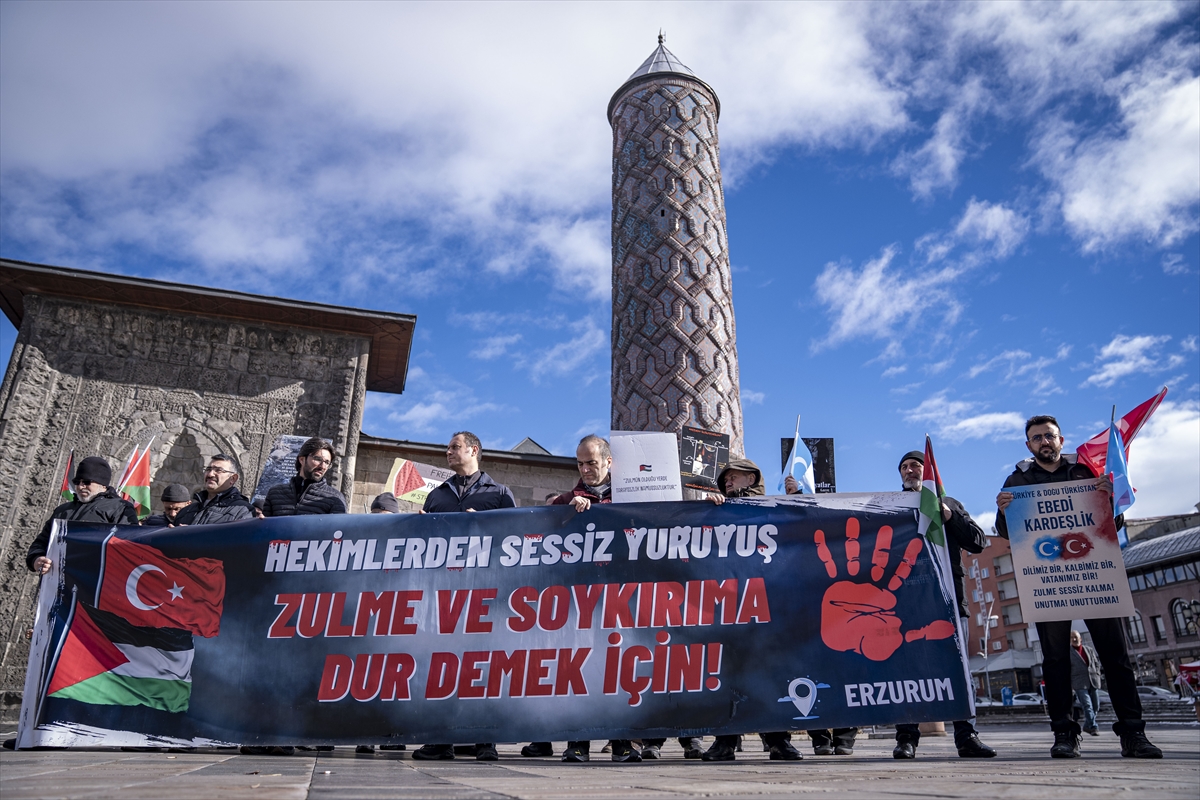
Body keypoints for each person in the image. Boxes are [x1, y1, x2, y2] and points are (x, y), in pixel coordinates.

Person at [996, 414, 1161, 759]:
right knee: (1055, 661)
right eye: (1037, 437)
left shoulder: (1085, 472)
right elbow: (1008, 532)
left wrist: (1109, 499)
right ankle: (1065, 734)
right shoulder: (1017, 480)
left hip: (1094, 576)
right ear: (1029, 445)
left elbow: (1112, 524)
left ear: (1061, 440)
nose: (1044, 442)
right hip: (1049, 582)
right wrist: (1002, 512)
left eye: (1049, 436)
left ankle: (1133, 733)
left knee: (1115, 657)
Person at [887, 450, 996, 760]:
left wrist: (949, 516)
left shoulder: (951, 504)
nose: (909, 470)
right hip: (906, 603)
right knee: (908, 671)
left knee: (958, 670)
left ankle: (967, 736)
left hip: (949, 599)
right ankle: (906, 739)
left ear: (929, 472)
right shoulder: (890, 506)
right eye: (904, 467)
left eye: (915, 465)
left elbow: (978, 541)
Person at [412, 432, 513, 762]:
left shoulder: (499, 493)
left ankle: (485, 741)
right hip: (443, 593)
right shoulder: (436, 495)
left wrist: (484, 527)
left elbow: (515, 540)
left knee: (483, 666)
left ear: (474, 450)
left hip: (485, 592)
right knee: (440, 665)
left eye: (455, 447)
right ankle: (441, 741)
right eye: (448, 448)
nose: (448, 452)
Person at [700, 459, 803, 762]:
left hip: (766, 606)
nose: (727, 482)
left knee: (769, 675)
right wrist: (706, 511)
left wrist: (797, 498)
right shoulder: (718, 511)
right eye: (725, 480)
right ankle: (725, 741)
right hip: (729, 606)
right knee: (728, 675)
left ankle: (778, 740)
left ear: (752, 479)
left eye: (733, 476)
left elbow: (804, 529)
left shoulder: (772, 510)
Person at [27, 456, 138, 575]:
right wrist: (36, 559)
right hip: (57, 580)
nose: (80, 486)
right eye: (77, 482)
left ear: (103, 484)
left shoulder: (120, 508)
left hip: (94, 580)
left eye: (86, 482)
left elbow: (128, 547)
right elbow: (42, 541)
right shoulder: (62, 510)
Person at [262, 437, 347, 517]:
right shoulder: (275, 493)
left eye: (327, 462)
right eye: (318, 459)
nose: (323, 466)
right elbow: (265, 526)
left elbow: (338, 527)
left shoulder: (335, 498)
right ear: (302, 459)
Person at [174, 454, 255, 526]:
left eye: (218, 470)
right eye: (208, 469)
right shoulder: (186, 511)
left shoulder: (243, 511)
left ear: (233, 478)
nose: (210, 474)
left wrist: (191, 535)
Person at [1070, 630, 1102, 736]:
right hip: (1079, 683)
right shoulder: (1068, 653)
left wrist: (1097, 673)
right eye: (1072, 637)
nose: (1074, 639)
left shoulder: (1089, 650)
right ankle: (1093, 727)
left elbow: (1096, 663)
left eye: (1076, 637)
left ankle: (1087, 725)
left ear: (1080, 638)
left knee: (1096, 706)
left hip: (1093, 680)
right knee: (1087, 705)